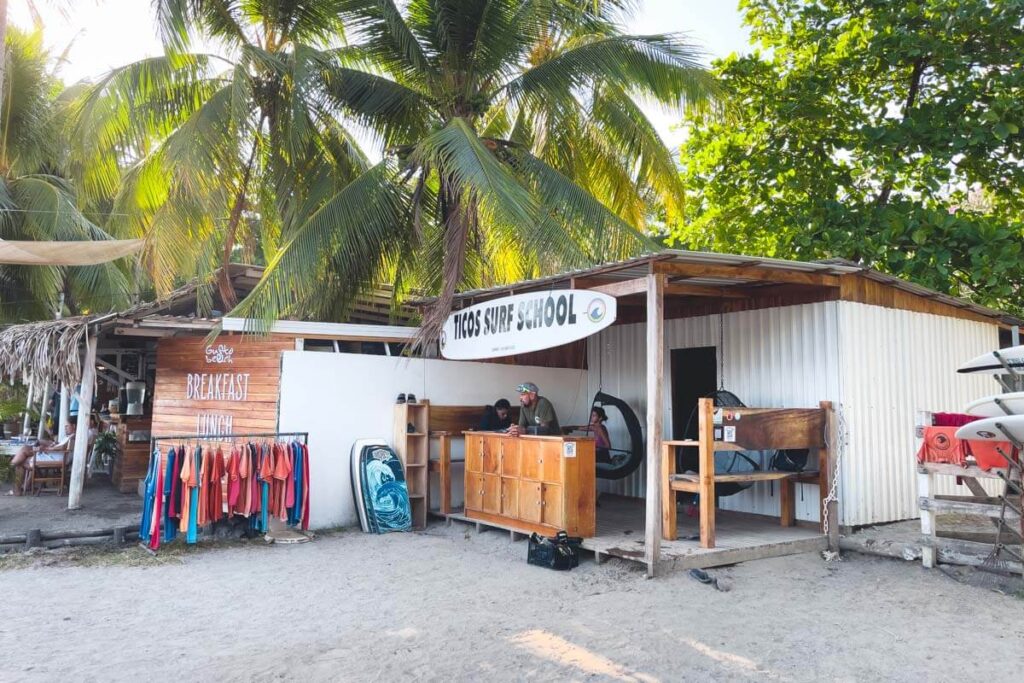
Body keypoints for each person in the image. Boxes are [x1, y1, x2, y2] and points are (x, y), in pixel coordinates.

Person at [7, 421, 76, 496]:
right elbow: (60, 446)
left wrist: (46, 448)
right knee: (24, 453)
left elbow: (62, 447)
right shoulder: (69, 437)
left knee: (23, 454)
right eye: (65, 426)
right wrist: (52, 444)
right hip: (52, 456)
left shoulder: (73, 437)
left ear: (74, 426)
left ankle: (9, 469)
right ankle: (19, 485)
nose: (65, 428)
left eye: (67, 426)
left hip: (53, 458)